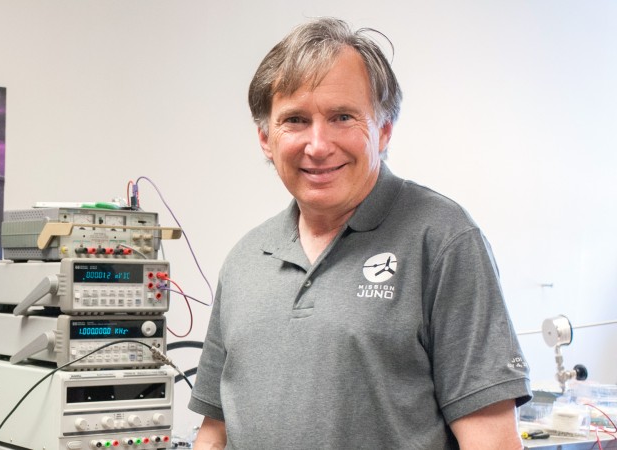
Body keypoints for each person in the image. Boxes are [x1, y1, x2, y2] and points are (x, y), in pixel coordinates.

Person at [188, 17, 531, 449]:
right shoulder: (246, 258)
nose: (318, 145)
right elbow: (214, 431)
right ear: (265, 138)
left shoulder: (442, 239)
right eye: (295, 120)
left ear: (384, 129)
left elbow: (492, 441)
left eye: (342, 117)